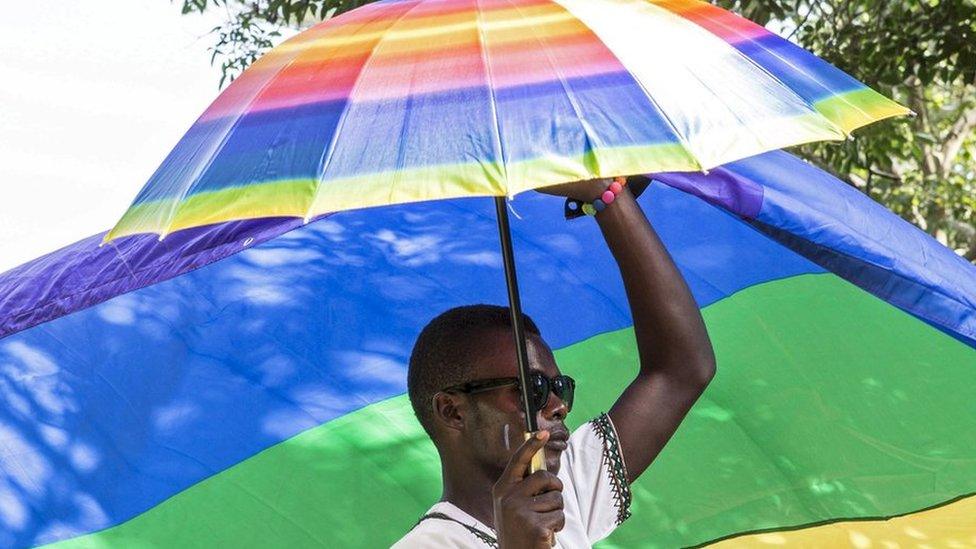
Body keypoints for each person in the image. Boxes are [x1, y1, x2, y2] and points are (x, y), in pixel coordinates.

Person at [393, 176, 716, 548]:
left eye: (559, 387)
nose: (559, 406)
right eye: (532, 389)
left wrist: (608, 196)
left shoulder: (567, 490)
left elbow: (682, 368)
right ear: (452, 411)